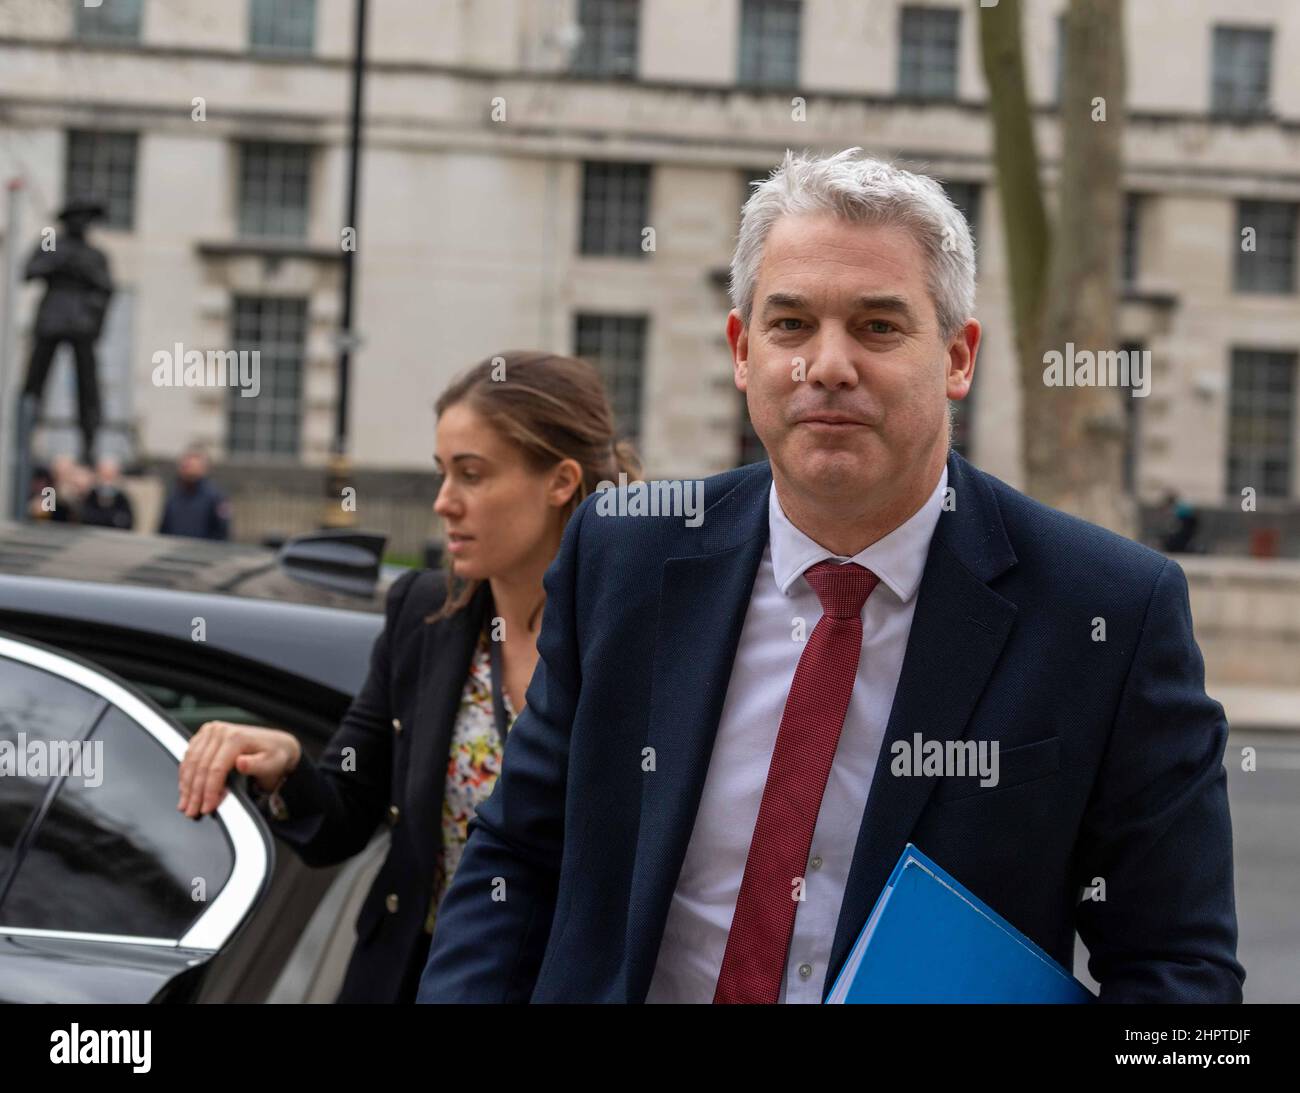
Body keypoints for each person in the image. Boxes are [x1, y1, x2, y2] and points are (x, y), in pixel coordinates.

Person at [417, 149, 1244, 1004]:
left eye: (879, 326)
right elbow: (517, 857)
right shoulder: (623, 556)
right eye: (791, 325)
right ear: (743, 351)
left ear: (958, 357)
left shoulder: (1108, 611)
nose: (829, 364)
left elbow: (1182, 976)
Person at [176, 351, 641, 1003]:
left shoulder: (637, 636)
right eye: (442, 473)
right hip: (416, 979)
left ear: (560, 481)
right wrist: (285, 765)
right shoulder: (424, 615)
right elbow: (344, 813)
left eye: (472, 475)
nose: (443, 503)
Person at [21, 197, 113, 466]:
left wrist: (96, 323)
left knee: (88, 387)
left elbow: (106, 290)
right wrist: (59, 263)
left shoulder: (95, 255)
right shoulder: (51, 243)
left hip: (81, 323)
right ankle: (24, 436)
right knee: (34, 382)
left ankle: (89, 446)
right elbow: (29, 271)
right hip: (52, 319)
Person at [158, 446, 231, 540]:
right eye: (186, 467)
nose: (188, 471)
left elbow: (222, 531)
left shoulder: (216, 497)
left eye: (193, 467)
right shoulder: (173, 494)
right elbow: (164, 527)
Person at [80, 457, 135, 530]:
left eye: (110, 477)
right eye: (104, 476)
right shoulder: (90, 496)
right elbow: (85, 517)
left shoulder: (122, 498)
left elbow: (126, 522)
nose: (107, 482)